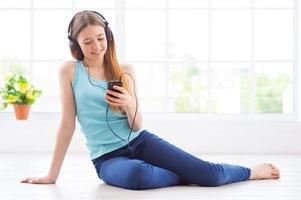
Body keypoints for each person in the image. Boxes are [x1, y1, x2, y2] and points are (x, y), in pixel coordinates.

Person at [21, 10, 280, 190]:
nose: (96, 47)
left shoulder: (125, 70)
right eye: (87, 42)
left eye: (100, 39)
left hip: (142, 142)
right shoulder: (69, 71)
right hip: (108, 158)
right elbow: (67, 124)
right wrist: (51, 175)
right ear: (75, 46)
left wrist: (129, 104)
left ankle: (251, 171)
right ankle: (184, 175)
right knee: (137, 175)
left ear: (108, 37)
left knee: (210, 175)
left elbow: (135, 125)